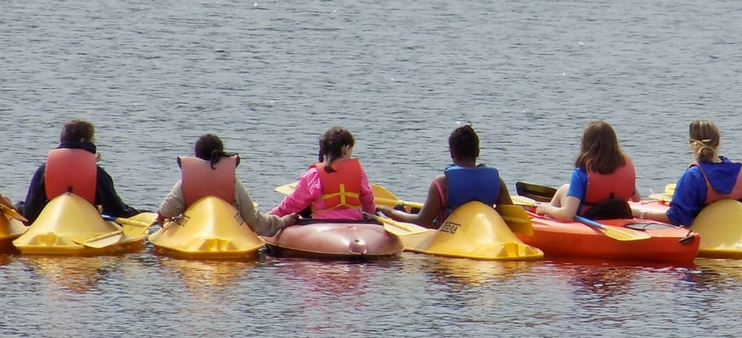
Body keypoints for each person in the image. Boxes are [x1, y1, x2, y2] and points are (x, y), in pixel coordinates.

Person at [156, 134, 297, 237]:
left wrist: (163, 219)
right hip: (227, 235)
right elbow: (252, 220)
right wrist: (281, 222)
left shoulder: (187, 181)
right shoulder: (232, 182)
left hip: (193, 235)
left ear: (196, 157)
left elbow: (166, 211)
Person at [377, 125, 513, 228]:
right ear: (477, 152)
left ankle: (395, 211)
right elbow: (511, 219)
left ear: (452, 153)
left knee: (400, 210)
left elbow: (422, 222)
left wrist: (388, 212)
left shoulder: (441, 184)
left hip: (447, 234)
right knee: (415, 209)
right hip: (479, 233)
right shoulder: (497, 182)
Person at [21, 119, 143, 224]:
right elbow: (118, 211)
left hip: (50, 224)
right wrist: (140, 213)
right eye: (93, 138)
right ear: (84, 140)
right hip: (85, 226)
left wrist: (18, 207)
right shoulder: (97, 173)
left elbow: (30, 212)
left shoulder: (44, 170)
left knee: (20, 205)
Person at [642, 120, 742, 227]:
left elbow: (677, 217)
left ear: (691, 143)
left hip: (705, 236)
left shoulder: (694, 176)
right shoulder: (740, 173)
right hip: (732, 232)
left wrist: (641, 214)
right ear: (718, 141)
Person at [535, 120, 642, 221]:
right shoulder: (623, 169)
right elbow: (637, 198)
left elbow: (567, 214)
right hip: (619, 214)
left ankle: (547, 218)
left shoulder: (581, 174)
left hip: (591, 218)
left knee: (564, 188)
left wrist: (546, 208)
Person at [269, 126, 377, 221]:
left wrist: (271, 217)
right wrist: (371, 214)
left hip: (323, 224)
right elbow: (367, 198)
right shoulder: (358, 170)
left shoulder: (314, 174)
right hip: (354, 222)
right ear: (346, 149)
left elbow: (293, 203)